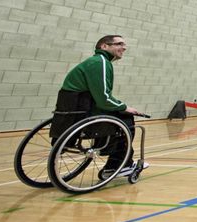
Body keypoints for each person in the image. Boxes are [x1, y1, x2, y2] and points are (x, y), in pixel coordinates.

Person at [58, 35, 147, 178]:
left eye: (124, 45)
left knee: (121, 114)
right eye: (119, 44)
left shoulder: (96, 62)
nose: (124, 47)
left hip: (75, 111)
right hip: (86, 113)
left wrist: (120, 106)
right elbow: (104, 99)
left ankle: (119, 163)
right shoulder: (101, 62)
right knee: (126, 119)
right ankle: (120, 165)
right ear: (104, 46)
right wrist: (124, 107)